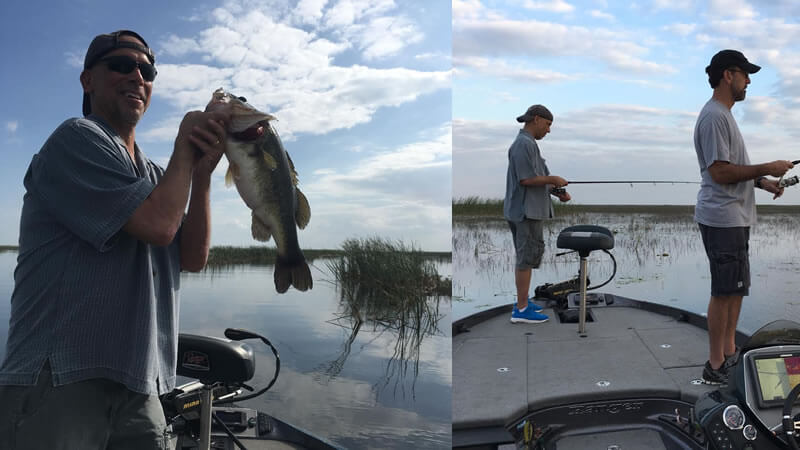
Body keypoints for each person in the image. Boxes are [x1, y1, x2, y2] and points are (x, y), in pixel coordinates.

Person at [0, 30, 232, 449]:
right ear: (87, 80)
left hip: (140, 384)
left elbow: (194, 257)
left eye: (146, 70)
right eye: (121, 66)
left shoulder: (158, 176)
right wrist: (184, 146)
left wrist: (201, 176)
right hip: (62, 380)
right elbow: (159, 226)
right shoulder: (76, 139)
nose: (136, 77)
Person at [693, 49, 793, 384]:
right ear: (728, 75)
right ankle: (715, 365)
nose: (749, 80)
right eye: (745, 74)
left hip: (735, 218)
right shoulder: (714, 117)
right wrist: (768, 165)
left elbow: (733, 166)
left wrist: (763, 182)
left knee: (735, 289)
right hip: (722, 217)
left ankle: (730, 353)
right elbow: (720, 172)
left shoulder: (725, 116)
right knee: (723, 291)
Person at [503, 105, 571, 324]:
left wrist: (558, 191)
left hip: (530, 210)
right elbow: (526, 179)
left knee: (529, 256)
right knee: (525, 259)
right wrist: (553, 179)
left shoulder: (530, 145)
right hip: (525, 212)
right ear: (537, 119)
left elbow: (537, 178)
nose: (549, 130)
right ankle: (521, 310)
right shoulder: (523, 144)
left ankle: (522, 302)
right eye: (548, 125)